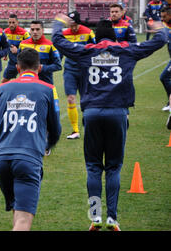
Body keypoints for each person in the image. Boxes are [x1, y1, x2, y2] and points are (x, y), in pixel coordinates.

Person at [52, 14, 168, 231]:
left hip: (93, 112)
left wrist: (59, 22)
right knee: (113, 167)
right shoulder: (126, 50)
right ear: (115, 36)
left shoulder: (87, 51)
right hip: (117, 112)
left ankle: (95, 216)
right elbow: (160, 41)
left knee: (93, 167)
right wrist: (159, 27)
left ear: (95, 37)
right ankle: (112, 218)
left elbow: (58, 41)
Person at [0, 48, 61, 231]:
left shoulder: (3, 88)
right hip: (28, 158)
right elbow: (56, 129)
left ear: (17, 67)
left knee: (17, 209)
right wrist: (46, 146)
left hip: (0, 159)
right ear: (39, 68)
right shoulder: (49, 89)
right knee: (23, 221)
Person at [61, 11, 96, 140]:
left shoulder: (88, 32)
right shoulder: (64, 34)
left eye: (75, 24)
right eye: (71, 24)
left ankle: (88, 124)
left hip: (85, 70)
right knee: (71, 98)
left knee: (85, 100)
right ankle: (75, 130)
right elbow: (60, 50)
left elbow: (96, 48)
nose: (73, 27)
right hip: (70, 70)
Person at [18, 20, 62, 85]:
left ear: (42, 30)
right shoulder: (22, 44)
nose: (35, 32)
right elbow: (18, 63)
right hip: (26, 83)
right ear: (30, 31)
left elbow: (58, 66)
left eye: (37, 29)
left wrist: (42, 68)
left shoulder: (50, 45)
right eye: (32, 29)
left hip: (45, 83)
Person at [1, 13, 31, 84]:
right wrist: (5, 54)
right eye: (10, 22)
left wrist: (18, 51)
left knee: (25, 82)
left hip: (24, 63)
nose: (11, 24)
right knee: (4, 81)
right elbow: (4, 44)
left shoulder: (24, 33)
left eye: (13, 22)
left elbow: (30, 47)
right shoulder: (5, 32)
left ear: (17, 22)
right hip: (12, 62)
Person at [159, 6, 171, 112]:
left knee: (164, 77)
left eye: (164, 16)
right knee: (164, 77)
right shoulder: (166, 25)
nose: (162, 19)